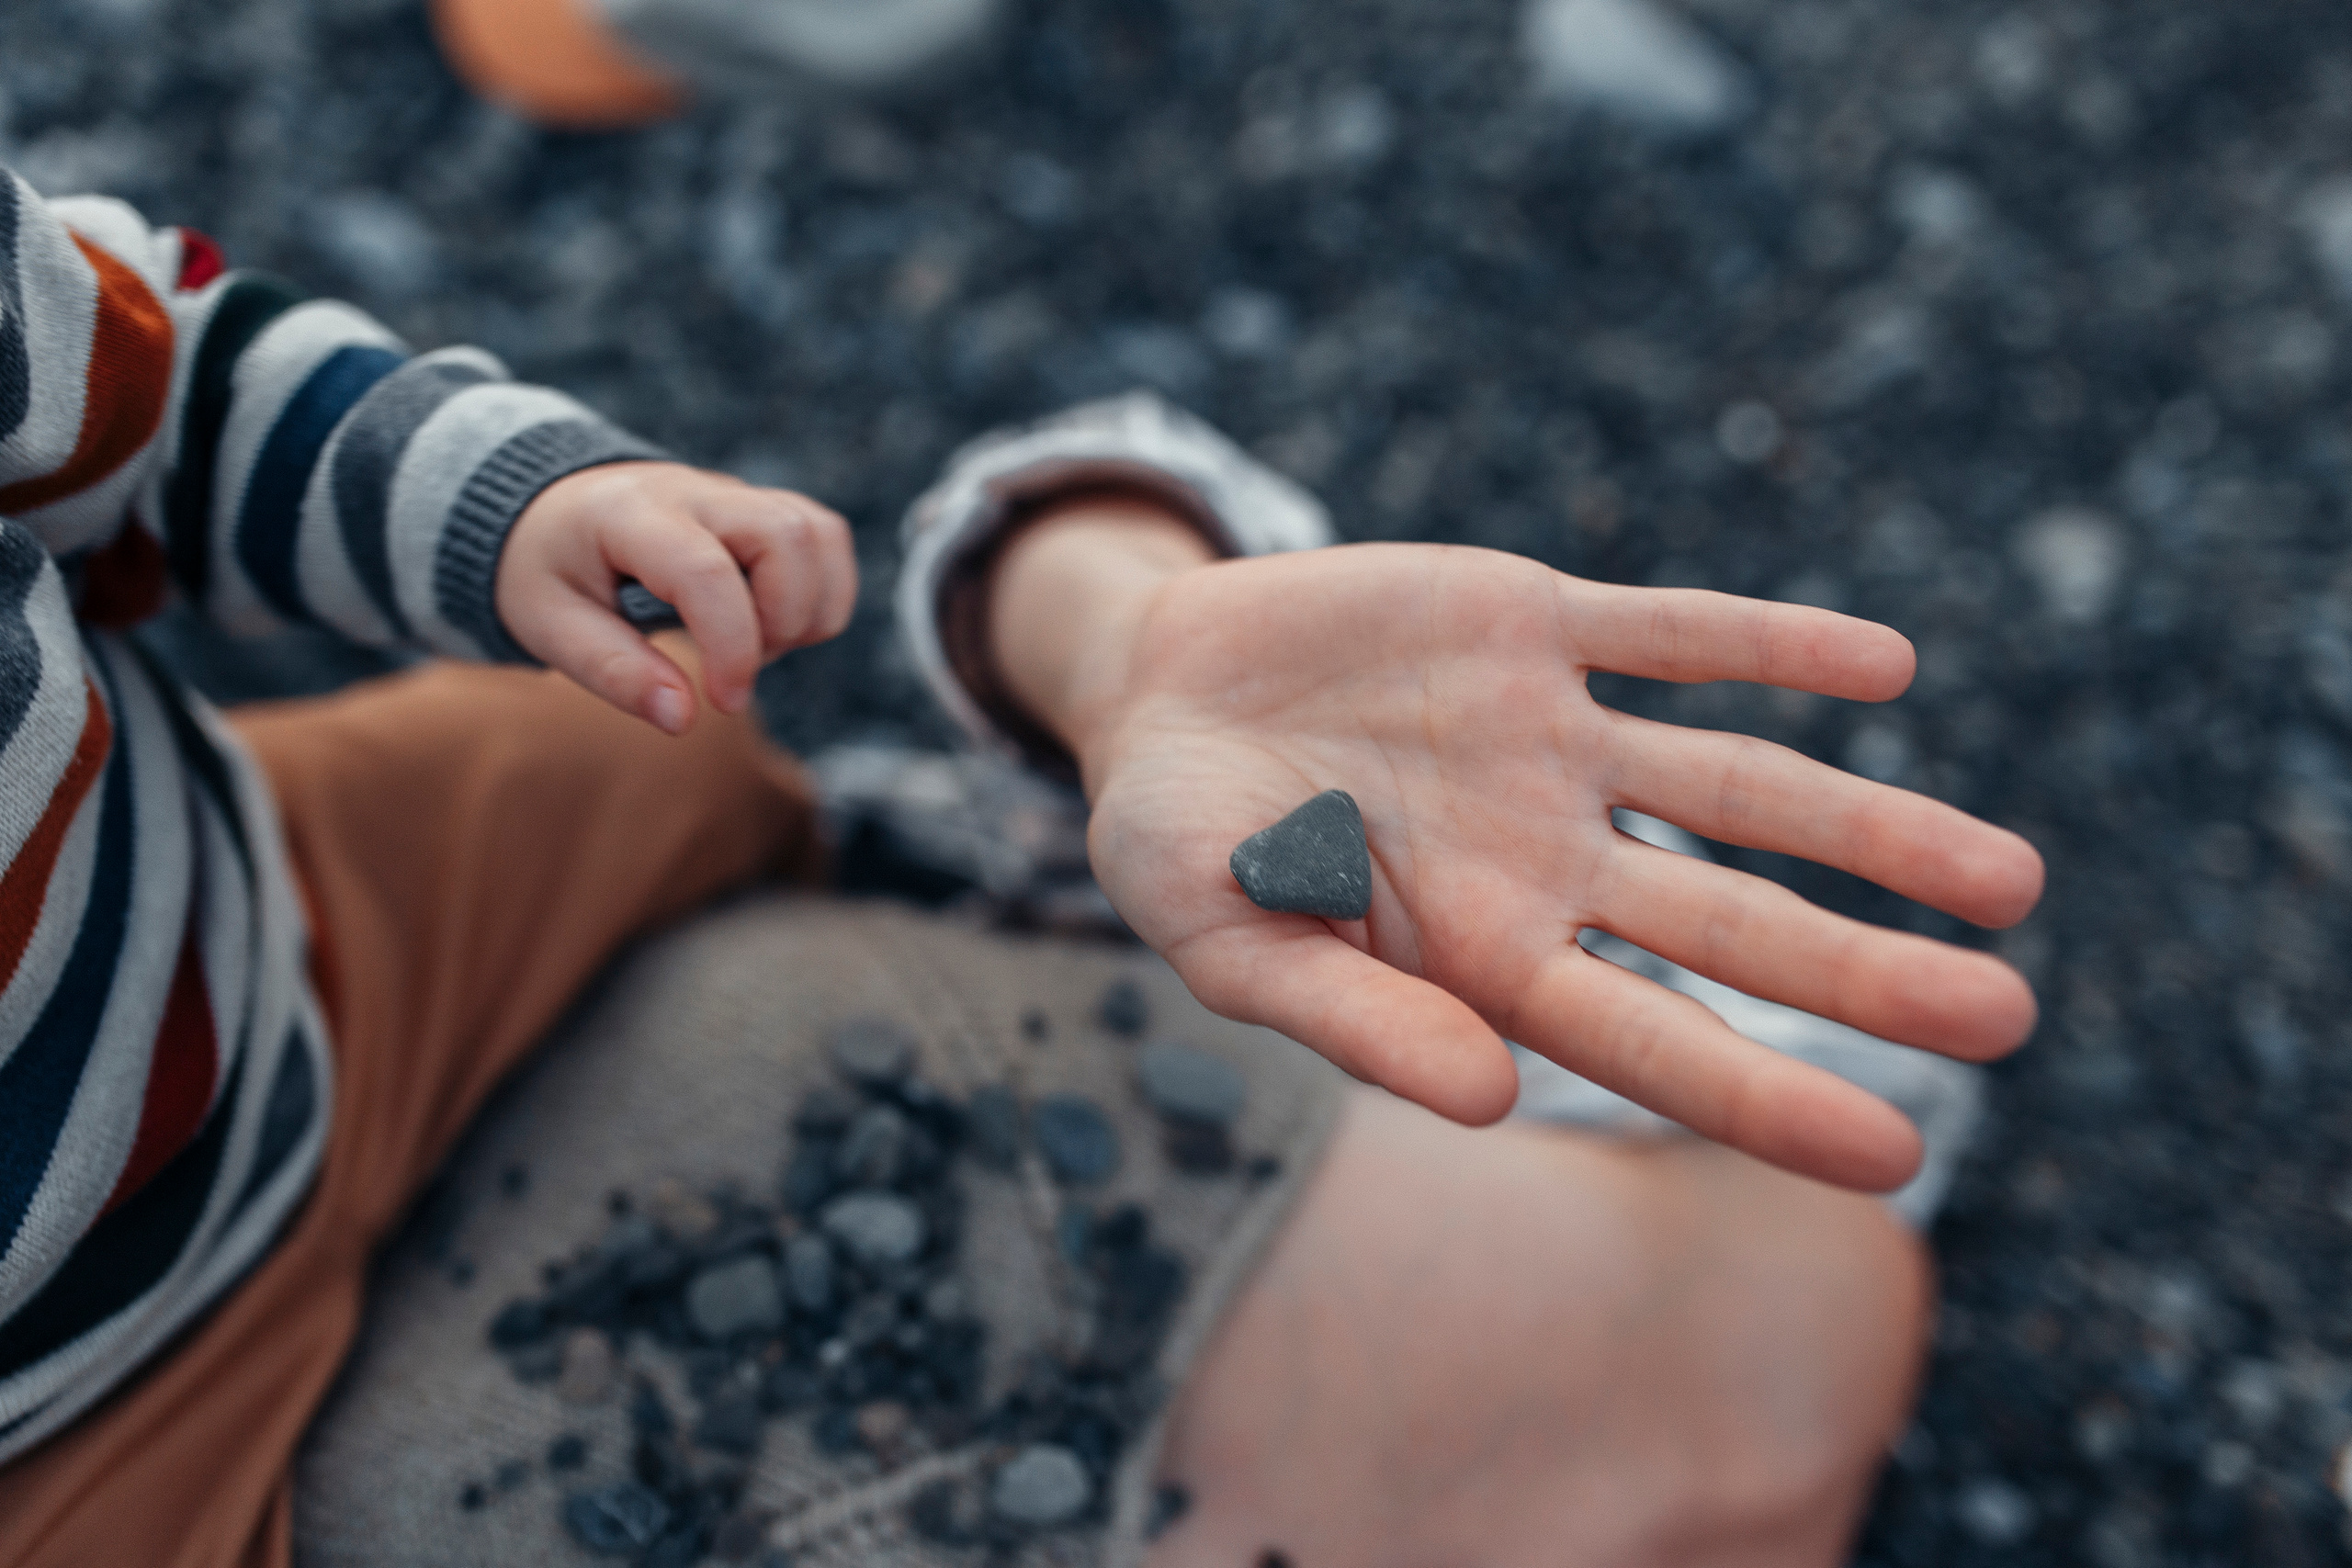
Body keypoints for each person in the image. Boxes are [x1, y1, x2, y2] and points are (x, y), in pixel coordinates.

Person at [0, 162, 2041, 1566]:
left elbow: (143, 386)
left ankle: (967, 848)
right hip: (105, 1468)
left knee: (1780, 1311)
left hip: (300, 922)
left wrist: (508, 505)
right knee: (1762, 1341)